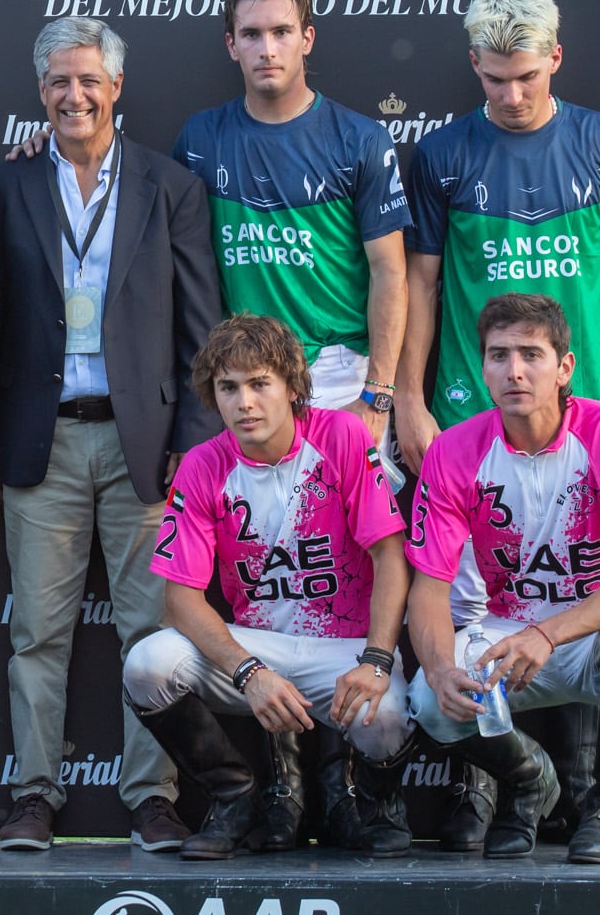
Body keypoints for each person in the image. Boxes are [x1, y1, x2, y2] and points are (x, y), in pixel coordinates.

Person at [392, 0, 600, 849]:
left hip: (582, 414)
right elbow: (422, 283)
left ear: (555, 58)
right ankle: (486, 797)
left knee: (589, 589)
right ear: (474, 63)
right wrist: (409, 396)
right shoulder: (440, 153)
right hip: (470, 414)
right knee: (474, 605)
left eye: (525, 76)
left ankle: (591, 801)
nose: (510, 94)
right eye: (495, 78)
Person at [0, 17, 220, 853]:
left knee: (154, 633)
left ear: (116, 89)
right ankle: (34, 794)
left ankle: (152, 795)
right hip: (43, 438)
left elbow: (200, 325)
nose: (74, 96)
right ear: (40, 93)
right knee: (37, 631)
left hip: (144, 443)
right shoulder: (2, 189)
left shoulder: (169, 185)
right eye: (58, 83)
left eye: (89, 81)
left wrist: (195, 433)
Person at [174, 0, 410, 847]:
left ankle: (346, 784)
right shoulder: (202, 136)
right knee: (259, 578)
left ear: (308, 39)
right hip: (246, 384)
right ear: (229, 43)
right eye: (251, 32)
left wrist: (379, 399)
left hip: (342, 385)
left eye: (283, 31)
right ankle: (277, 785)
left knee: (348, 573)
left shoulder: (356, 138)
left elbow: (391, 271)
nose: (267, 47)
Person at [122, 315, 412, 860]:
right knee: (147, 664)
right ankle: (233, 796)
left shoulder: (342, 435)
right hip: (257, 651)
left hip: (342, 650)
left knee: (391, 715)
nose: (244, 402)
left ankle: (373, 803)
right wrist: (249, 673)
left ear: (293, 388)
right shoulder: (204, 466)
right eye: (229, 388)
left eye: (260, 384)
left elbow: (389, 556)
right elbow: (181, 598)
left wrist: (376, 659)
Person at [406, 293, 600, 864]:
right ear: (482, 367)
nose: (515, 370)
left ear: (565, 367)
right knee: (429, 701)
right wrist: (439, 667)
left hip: (586, 634)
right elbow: (428, 586)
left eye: (531, 354)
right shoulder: (453, 450)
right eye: (498, 355)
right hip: (503, 633)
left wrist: (547, 634)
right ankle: (530, 779)